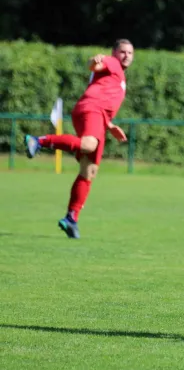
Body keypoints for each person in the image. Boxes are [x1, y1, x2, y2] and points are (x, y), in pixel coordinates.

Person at [24, 39, 133, 239]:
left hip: (99, 116)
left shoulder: (119, 77)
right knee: (89, 144)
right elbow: (94, 64)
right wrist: (94, 59)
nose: (126, 56)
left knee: (89, 171)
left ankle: (71, 218)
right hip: (92, 109)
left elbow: (101, 89)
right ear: (114, 52)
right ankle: (38, 141)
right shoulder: (112, 62)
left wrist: (110, 125)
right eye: (123, 51)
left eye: (130, 53)